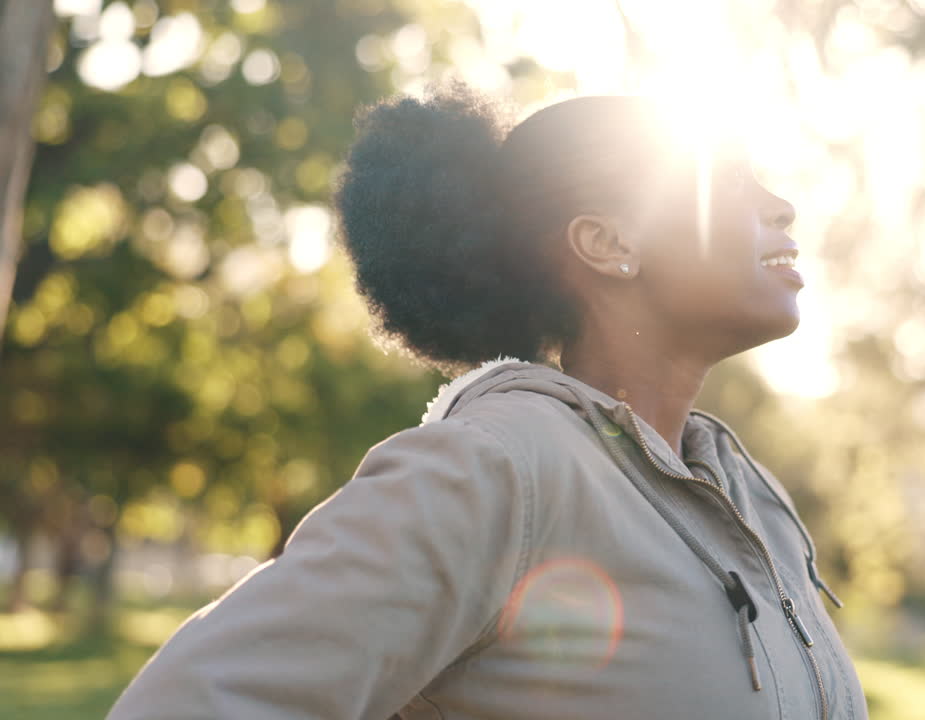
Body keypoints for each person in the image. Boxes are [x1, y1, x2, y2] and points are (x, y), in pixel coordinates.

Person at [106, 82, 868, 720]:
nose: (780, 206)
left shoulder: (749, 496)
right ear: (607, 244)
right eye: (726, 181)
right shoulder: (496, 468)